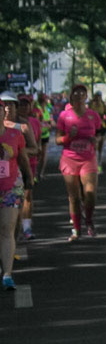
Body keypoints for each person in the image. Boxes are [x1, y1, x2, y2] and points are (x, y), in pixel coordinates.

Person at [56, 84, 102, 240]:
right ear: (72, 97)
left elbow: (100, 133)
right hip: (70, 159)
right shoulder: (64, 116)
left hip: (88, 158)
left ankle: (88, 220)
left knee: (90, 193)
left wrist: (95, 139)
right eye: (76, 93)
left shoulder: (93, 115)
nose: (79, 95)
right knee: (74, 197)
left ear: (86, 97)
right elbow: (57, 139)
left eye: (82, 93)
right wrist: (69, 137)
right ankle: (76, 229)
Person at [2, 94, 34, 290]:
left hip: (11, 186)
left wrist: (30, 177)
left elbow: (24, 157)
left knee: (7, 228)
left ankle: (7, 274)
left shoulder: (15, 133)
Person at [16, 95, 42, 240]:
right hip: (9, 166)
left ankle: (26, 227)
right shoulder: (5, 123)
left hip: (28, 163)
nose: (24, 107)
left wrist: (22, 152)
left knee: (27, 196)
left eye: (26, 104)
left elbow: (36, 147)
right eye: (20, 104)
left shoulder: (33, 123)